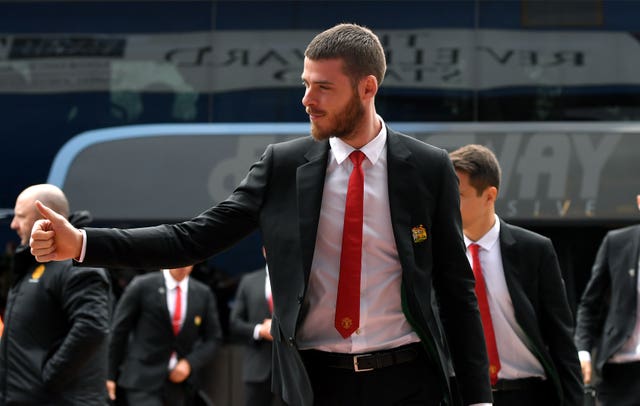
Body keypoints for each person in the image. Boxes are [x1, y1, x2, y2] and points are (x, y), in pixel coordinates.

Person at [29, 23, 492, 406]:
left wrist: (477, 399)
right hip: (312, 385)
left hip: (409, 382)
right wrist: (83, 243)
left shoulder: (428, 168)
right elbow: (192, 238)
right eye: (305, 85)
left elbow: (456, 289)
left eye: (323, 88)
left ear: (367, 88)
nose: (307, 100)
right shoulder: (282, 166)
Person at [448, 144, 584, 405]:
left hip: (528, 394)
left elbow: (560, 338)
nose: (449, 203)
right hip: (465, 395)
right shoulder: (441, 254)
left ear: (490, 195)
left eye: (460, 195)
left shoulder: (535, 250)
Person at [0, 184, 111, 405]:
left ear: (46, 218)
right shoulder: (33, 262)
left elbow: (92, 326)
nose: (13, 224)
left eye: (20, 217)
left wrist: (50, 378)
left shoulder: (78, 265)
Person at [106, 265, 222, 406]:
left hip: (179, 382)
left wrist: (189, 363)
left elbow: (213, 339)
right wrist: (109, 376)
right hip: (142, 377)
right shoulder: (142, 285)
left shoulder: (203, 293)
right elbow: (119, 332)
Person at [574, 194, 640, 406]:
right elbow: (589, 304)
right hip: (619, 371)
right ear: (639, 202)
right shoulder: (617, 242)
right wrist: (583, 351)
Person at [230, 248, 284, 406]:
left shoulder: (295, 281)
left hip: (290, 369)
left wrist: (280, 328)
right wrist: (259, 330)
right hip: (257, 366)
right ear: (264, 251)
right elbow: (235, 322)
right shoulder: (249, 281)